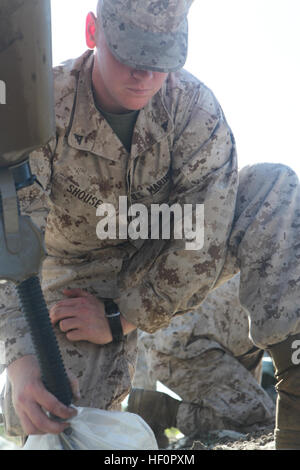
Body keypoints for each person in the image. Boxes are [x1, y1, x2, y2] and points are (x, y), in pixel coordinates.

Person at [0, 0, 300, 449]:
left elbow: (202, 242)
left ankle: (296, 394)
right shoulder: (45, 110)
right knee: (58, 417)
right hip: (78, 279)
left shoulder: (195, 110)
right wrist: (20, 356)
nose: (143, 73)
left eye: (159, 59)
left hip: (168, 253)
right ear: (92, 32)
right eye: (128, 55)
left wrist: (122, 316)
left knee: (271, 186)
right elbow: (10, 231)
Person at [128, 275, 275, 447]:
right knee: (266, 423)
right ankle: (163, 411)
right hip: (186, 346)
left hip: (215, 344)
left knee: (250, 416)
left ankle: (154, 408)